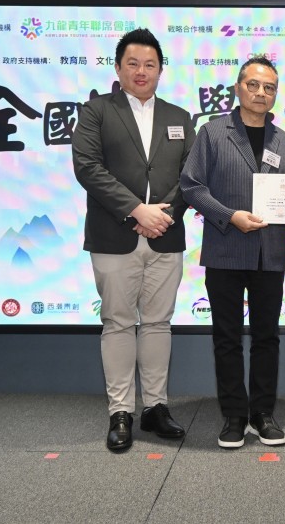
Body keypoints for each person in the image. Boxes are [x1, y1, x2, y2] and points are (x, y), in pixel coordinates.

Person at [72, 27, 195, 452]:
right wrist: (136, 211)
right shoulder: (97, 111)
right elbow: (88, 167)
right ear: (118, 67)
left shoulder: (180, 117)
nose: (142, 71)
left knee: (159, 323)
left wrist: (164, 215)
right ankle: (120, 411)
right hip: (113, 235)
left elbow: (191, 176)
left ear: (161, 70)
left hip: (166, 236)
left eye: (150, 64)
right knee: (119, 323)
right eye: (133, 64)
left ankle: (156, 407)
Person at [180, 55, 285, 449]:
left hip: (269, 253)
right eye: (254, 85)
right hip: (225, 248)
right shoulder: (212, 133)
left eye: (269, 88)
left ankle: (262, 414)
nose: (261, 93)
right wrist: (230, 216)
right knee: (227, 338)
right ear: (238, 88)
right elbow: (192, 186)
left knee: (267, 337)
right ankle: (233, 415)